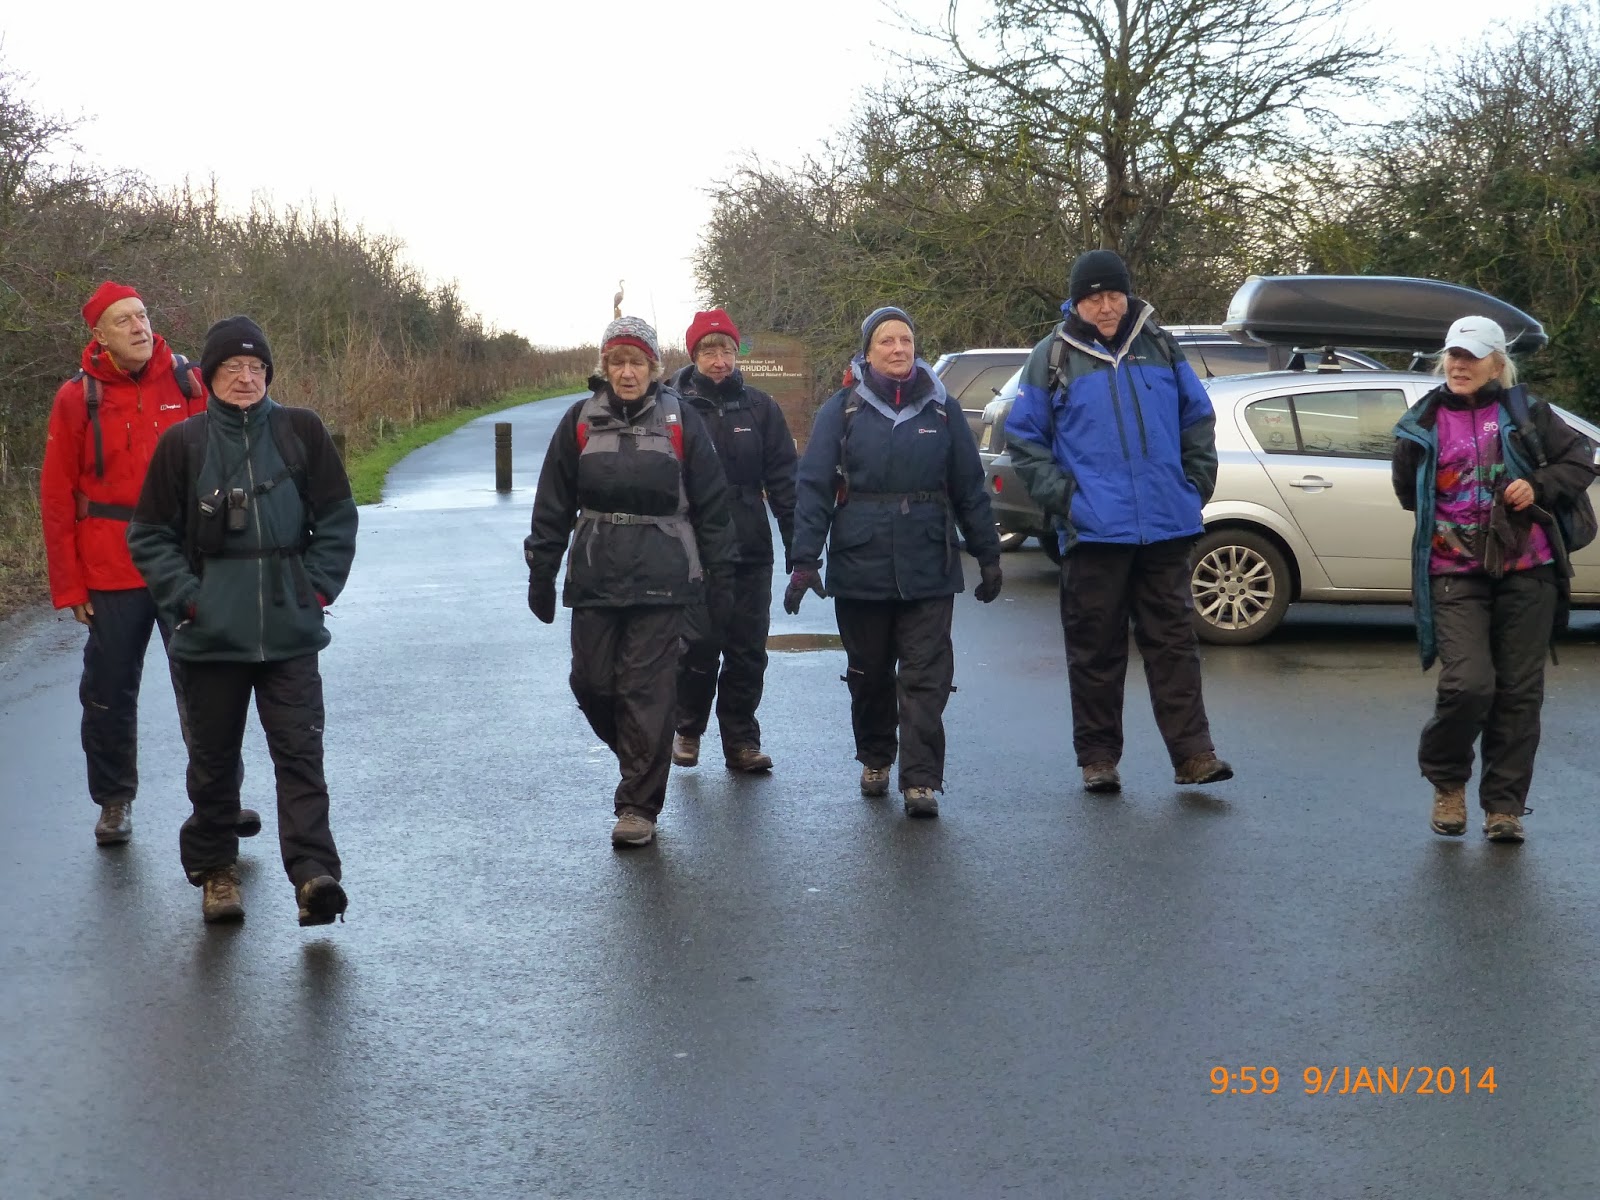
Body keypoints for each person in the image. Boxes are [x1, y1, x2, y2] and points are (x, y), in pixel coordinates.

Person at [128, 316, 357, 925]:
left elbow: (337, 516)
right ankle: (217, 873)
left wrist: (316, 589)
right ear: (210, 377)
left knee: (301, 758)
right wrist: (188, 598)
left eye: (256, 369)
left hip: (291, 629)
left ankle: (314, 876)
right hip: (210, 634)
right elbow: (149, 535)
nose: (246, 379)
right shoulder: (184, 444)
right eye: (232, 370)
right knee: (213, 760)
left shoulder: (300, 430)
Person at [1005, 249, 1232, 794]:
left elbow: (1197, 418)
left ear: (1126, 295)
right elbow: (1025, 439)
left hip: (1165, 526)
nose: (1105, 307)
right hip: (1093, 531)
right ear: (1076, 302)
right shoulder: (1053, 355)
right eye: (1093, 297)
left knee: (1173, 645)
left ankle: (1194, 754)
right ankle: (1098, 759)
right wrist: (1067, 500)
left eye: (1112, 295)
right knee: (1095, 651)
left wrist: (1194, 484)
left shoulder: (1160, 345)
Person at [40, 281, 258, 848]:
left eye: (142, 316)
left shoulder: (188, 380)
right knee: (108, 689)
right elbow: (58, 495)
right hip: (109, 568)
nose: (139, 327)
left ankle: (221, 800)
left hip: (186, 561)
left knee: (207, 685)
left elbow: (229, 464)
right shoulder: (77, 397)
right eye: (123, 321)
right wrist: (70, 584)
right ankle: (114, 802)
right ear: (99, 336)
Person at [525, 316, 737, 847]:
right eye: (616, 362)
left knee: (646, 690)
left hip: (664, 575)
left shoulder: (679, 420)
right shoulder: (579, 421)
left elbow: (713, 507)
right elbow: (551, 504)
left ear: (653, 368)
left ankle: (638, 805)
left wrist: (721, 579)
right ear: (604, 367)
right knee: (591, 683)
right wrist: (541, 571)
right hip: (596, 573)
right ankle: (646, 752)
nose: (625, 372)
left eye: (635, 362)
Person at [786, 306, 1002, 819]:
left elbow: (970, 488)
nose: (898, 348)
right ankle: (877, 757)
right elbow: (813, 487)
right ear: (867, 351)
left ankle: (921, 780)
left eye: (905, 339)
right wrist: (803, 560)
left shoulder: (942, 409)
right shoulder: (841, 410)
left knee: (926, 674)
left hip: (929, 558)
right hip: (860, 563)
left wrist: (988, 554)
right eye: (886, 340)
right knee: (869, 672)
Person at [1392, 316, 1594, 843]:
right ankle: (1447, 779)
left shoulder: (1528, 413)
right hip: (1453, 571)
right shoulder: (1425, 418)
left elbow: (1580, 459)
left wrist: (1538, 485)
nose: (1460, 365)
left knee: (1519, 693)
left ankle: (1503, 807)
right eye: (1454, 355)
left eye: (1472, 356)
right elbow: (1406, 489)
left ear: (1497, 364)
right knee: (1467, 684)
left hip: (1529, 571)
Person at [669, 309, 797, 773]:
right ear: (694, 354)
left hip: (749, 543)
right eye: (709, 350)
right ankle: (687, 728)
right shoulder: (670, 406)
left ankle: (741, 740)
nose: (719, 359)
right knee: (698, 643)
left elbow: (784, 478)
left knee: (747, 648)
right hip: (693, 544)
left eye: (726, 349)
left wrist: (798, 549)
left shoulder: (761, 407)